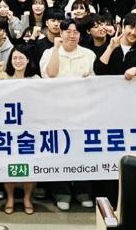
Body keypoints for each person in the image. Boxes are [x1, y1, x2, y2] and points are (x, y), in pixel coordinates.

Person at [39, 19, 95, 210]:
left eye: (76, 32)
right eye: (68, 31)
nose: (72, 35)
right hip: (56, 112)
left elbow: (96, 84)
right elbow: (51, 74)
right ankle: (61, 192)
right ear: (60, 33)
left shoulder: (88, 54)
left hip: (83, 112)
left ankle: (82, 191)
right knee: (60, 151)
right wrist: (56, 49)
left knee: (83, 151)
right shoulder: (49, 53)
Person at [0, 45, 39, 215]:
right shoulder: (3, 75)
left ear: (28, 60)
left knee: (29, 165)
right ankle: (10, 198)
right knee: (8, 164)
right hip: (7, 128)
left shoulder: (35, 79)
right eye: (14, 58)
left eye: (21, 58)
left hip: (29, 129)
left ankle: (27, 198)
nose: (18, 61)